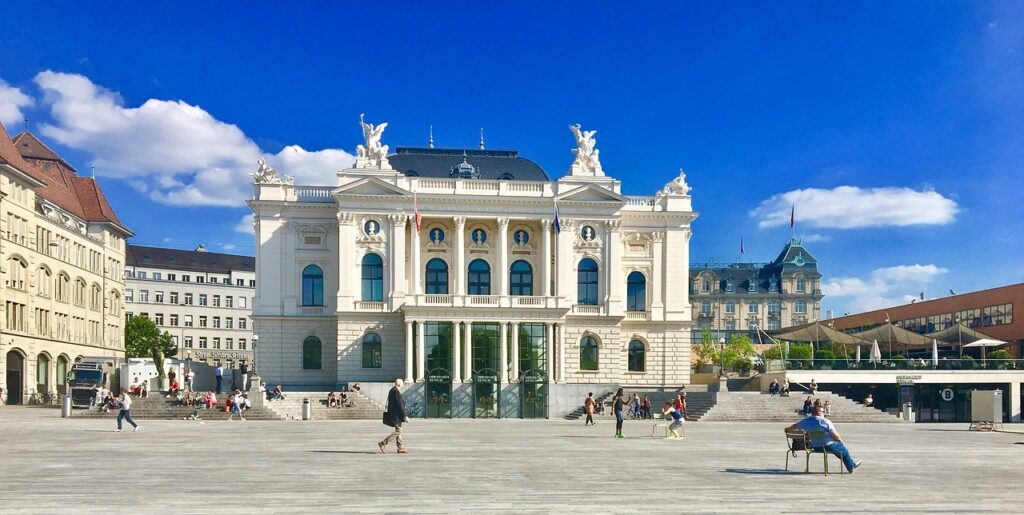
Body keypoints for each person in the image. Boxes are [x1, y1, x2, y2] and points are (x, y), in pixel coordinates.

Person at [786, 405, 862, 473]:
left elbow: (793, 427)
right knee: (843, 450)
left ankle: (851, 464)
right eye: (823, 411)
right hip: (827, 446)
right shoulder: (824, 421)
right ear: (819, 412)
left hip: (815, 447)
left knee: (838, 450)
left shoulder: (805, 421)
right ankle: (851, 465)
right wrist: (840, 440)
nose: (824, 413)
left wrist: (787, 430)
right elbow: (835, 435)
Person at [378, 378, 409, 454]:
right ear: (399, 384)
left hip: (396, 415)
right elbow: (400, 405)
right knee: (399, 431)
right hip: (396, 416)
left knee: (399, 431)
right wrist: (405, 416)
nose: (403, 385)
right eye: (402, 383)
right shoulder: (395, 391)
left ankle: (400, 447)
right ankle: (383, 443)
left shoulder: (393, 390)